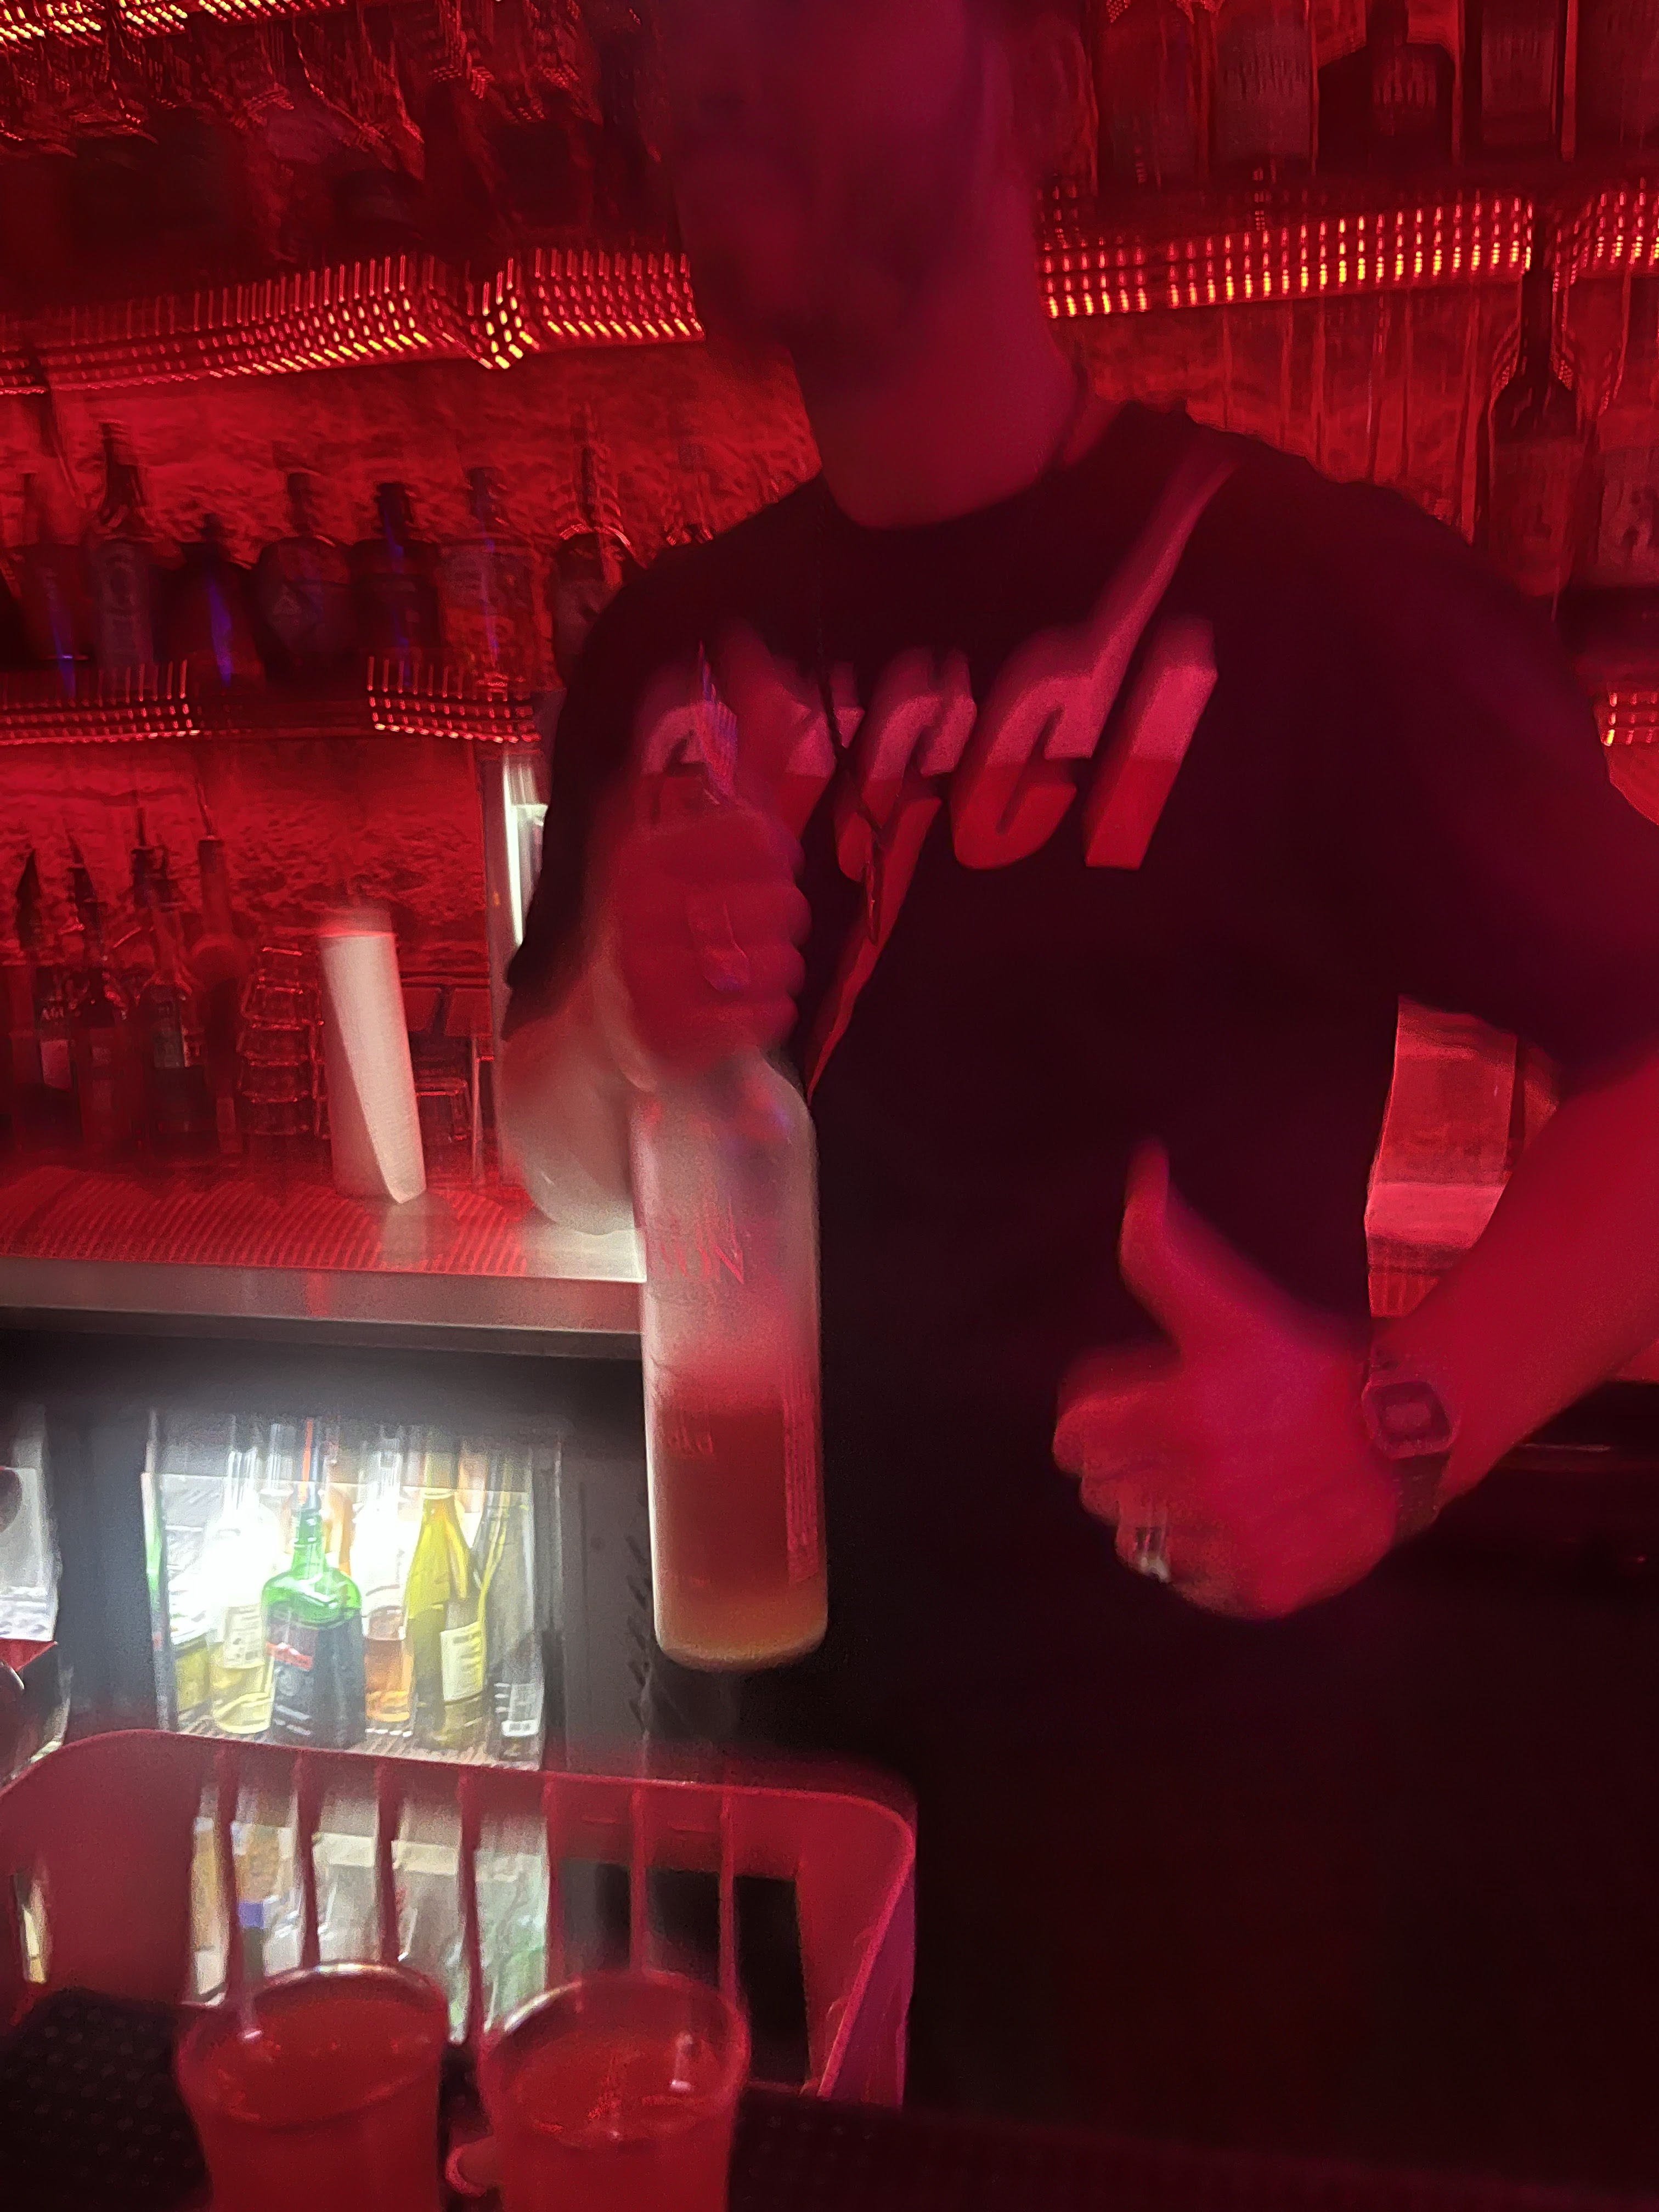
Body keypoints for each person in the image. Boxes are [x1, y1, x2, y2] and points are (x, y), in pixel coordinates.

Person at [501, 0, 1659, 2171]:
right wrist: (620, 1033)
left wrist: (1398, 1425)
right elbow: (551, 1147)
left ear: (1039, 78)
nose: (701, 65)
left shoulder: (1300, 590)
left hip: (1172, 1842)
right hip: (741, 1764)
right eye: (664, 29)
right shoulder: (664, 645)